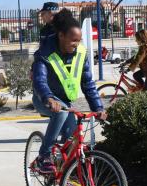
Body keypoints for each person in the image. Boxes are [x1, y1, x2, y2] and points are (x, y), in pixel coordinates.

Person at [32, 9, 107, 173]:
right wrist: (49, 99)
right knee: (61, 114)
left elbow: (88, 83)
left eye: (79, 40)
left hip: (66, 102)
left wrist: (98, 108)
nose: (77, 44)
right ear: (61, 36)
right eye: (73, 40)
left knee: (73, 143)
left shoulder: (81, 53)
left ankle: (64, 180)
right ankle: (43, 156)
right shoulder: (45, 53)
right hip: (44, 99)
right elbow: (39, 80)